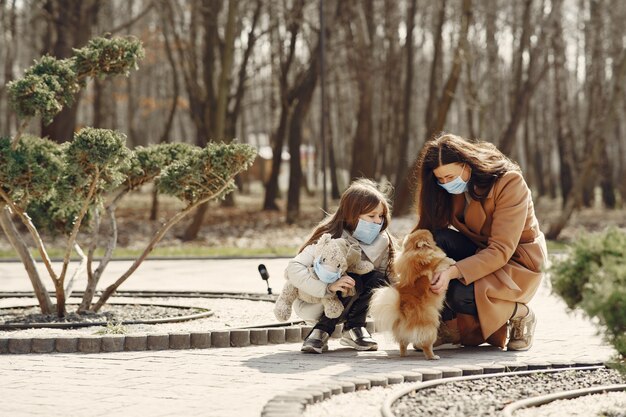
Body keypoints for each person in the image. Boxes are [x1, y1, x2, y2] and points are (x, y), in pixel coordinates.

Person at [412, 133, 548, 351]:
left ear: (467, 165)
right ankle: (448, 326)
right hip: (480, 252)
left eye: (450, 176)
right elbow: (426, 230)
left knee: (459, 292)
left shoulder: (509, 183)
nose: (446, 183)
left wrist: (453, 271)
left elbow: (501, 250)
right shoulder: (448, 189)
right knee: (433, 241)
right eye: (441, 179)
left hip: (516, 262)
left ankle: (521, 314)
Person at [284, 179, 395, 354]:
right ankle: (321, 331)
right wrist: (327, 287)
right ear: (353, 214)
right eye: (371, 216)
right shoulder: (330, 237)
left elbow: (385, 276)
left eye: (380, 216)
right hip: (314, 301)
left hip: (348, 304)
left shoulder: (381, 241)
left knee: (377, 278)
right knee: (352, 279)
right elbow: (293, 268)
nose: (377, 221)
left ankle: (354, 329)